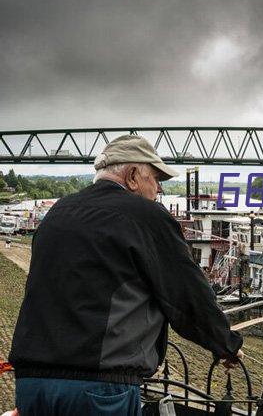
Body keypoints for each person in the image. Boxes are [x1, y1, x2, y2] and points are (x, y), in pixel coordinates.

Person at [9, 135, 244, 415]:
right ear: (133, 176)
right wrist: (226, 345)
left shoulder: (59, 212)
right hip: (98, 388)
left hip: (32, 383)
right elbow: (185, 295)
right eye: (156, 179)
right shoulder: (145, 216)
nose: (158, 189)